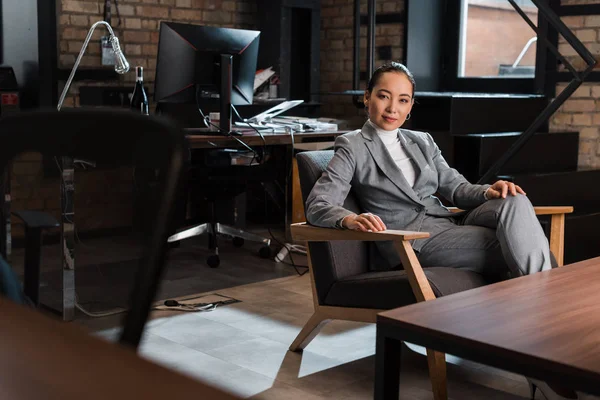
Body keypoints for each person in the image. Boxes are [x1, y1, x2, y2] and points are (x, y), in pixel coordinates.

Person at [305, 61, 583, 400]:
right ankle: (549, 349)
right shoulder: (352, 145)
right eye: (384, 96)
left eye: (404, 100)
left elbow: (455, 188)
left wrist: (489, 191)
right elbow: (318, 204)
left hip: (450, 225)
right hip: (415, 242)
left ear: (411, 106)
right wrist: (348, 219)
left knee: (516, 202)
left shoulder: (421, 141)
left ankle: (543, 347)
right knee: (523, 247)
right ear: (367, 98)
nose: (393, 108)